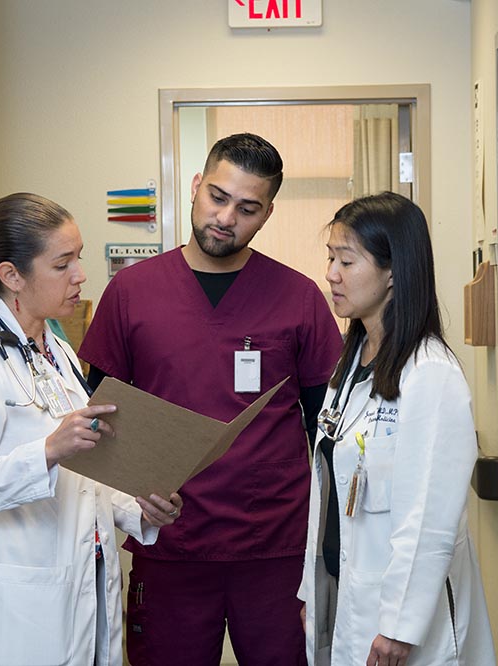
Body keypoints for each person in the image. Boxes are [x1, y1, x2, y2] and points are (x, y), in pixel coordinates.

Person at [79, 133, 343, 665]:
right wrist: (131, 500)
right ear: (196, 186)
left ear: (267, 214)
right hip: (168, 542)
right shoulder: (132, 293)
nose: (226, 218)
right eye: (218, 198)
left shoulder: (299, 298)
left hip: (274, 545)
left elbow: (327, 427)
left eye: (247, 208)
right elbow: (98, 417)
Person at [0, 192, 183, 666]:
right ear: (12, 276)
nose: (80, 275)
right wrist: (45, 451)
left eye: (78, 258)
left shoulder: (57, 350)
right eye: (63, 263)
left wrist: (139, 509)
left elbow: (83, 473)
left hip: (80, 581)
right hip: (9, 606)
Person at [299, 192, 496, 666]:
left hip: (398, 621)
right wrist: (312, 589)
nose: (331, 274)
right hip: (344, 589)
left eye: (346, 260)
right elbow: (329, 489)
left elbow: (429, 518)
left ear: (393, 272)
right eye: (330, 258)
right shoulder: (352, 364)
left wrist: (399, 626)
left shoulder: (430, 374)